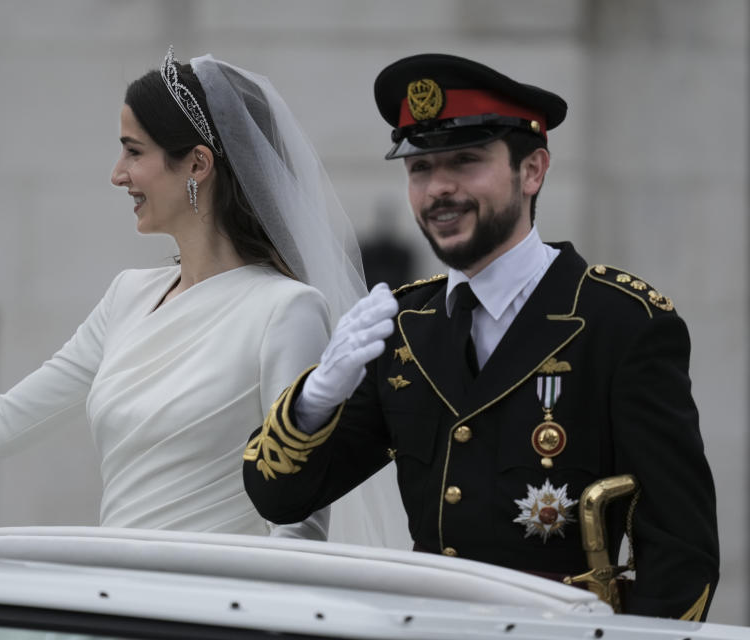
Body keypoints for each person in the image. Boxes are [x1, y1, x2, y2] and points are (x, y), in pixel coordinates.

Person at [243, 53, 719, 619]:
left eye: (466, 161)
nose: (439, 189)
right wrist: (316, 400)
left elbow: (681, 553)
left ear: (533, 170)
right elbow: (283, 497)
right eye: (420, 169)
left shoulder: (620, 322)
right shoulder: (403, 326)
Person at [0, 47, 377, 540]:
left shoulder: (287, 311)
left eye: (134, 151)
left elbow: (297, 529)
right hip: (114, 602)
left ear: (198, 164)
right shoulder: (127, 297)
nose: (118, 174)